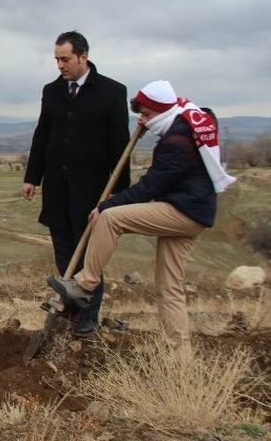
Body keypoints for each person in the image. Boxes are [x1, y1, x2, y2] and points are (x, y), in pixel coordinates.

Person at [49, 80, 236, 348]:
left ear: (162, 110)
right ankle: (179, 355)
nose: (144, 121)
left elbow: (150, 187)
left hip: (183, 212)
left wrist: (105, 206)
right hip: (195, 212)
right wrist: (150, 121)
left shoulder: (178, 141)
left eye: (147, 115)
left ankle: (84, 284)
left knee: (111, 218)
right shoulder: (188, 120)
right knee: (169, 286)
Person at [21, 31, 130, 337]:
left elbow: (120, 145)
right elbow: (43, 134)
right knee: (63, 250)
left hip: (91, 188)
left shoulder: (111, 91)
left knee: (88, 256)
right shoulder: (52, 91)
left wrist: (120, 195)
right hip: (57, 186)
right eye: (56, 59)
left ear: (84, 56)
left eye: (65, 59)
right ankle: (71, 308)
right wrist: (32, 177)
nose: (60, 65)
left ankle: (88, 315)